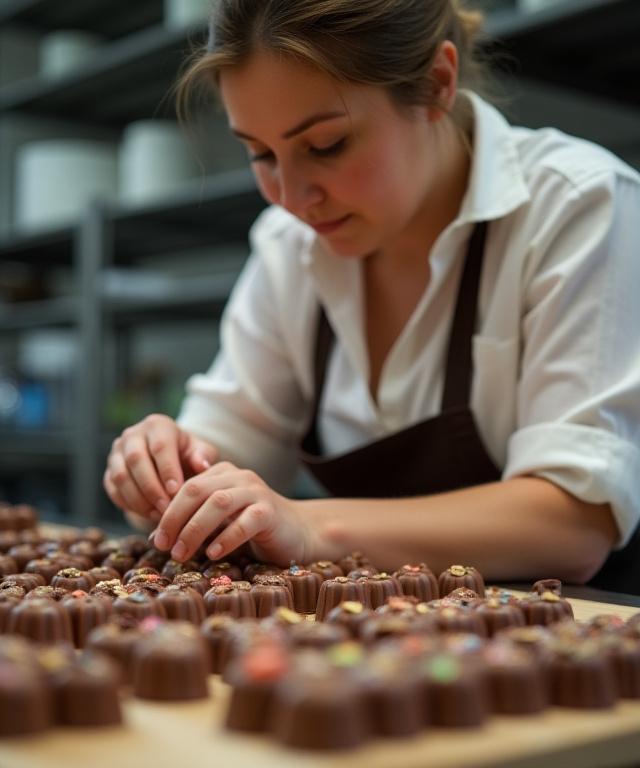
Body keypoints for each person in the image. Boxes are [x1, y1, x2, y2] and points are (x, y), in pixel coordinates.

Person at [103, 0, 640, 590]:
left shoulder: (579, 205)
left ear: (437, 84)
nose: (290, 197)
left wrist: (311, 527)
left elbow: (573, 524)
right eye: (260, 153)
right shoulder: (289, 246)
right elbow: (228, 443)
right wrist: (164, 470)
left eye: (326, 144)